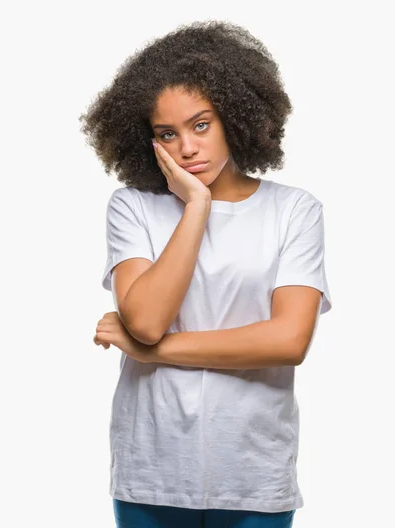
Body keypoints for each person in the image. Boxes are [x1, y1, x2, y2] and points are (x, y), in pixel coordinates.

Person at [80, 20, 332, 528]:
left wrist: (151, 351)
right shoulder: (134, 208)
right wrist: (196, 206)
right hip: (153, 466)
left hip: (252, 470)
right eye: (166, 134)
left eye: (201, 124)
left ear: (236, 117)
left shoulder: (294, 211)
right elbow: (148, 319)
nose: (187, 148)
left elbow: (288, 340)